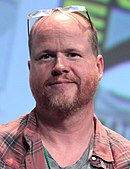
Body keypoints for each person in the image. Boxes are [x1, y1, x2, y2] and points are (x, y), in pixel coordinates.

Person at [0, 6, 130, 169]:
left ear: (98, 67)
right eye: (46, 56)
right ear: (30, 69)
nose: (59, 66)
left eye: (73, 54)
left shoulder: (125, 160)